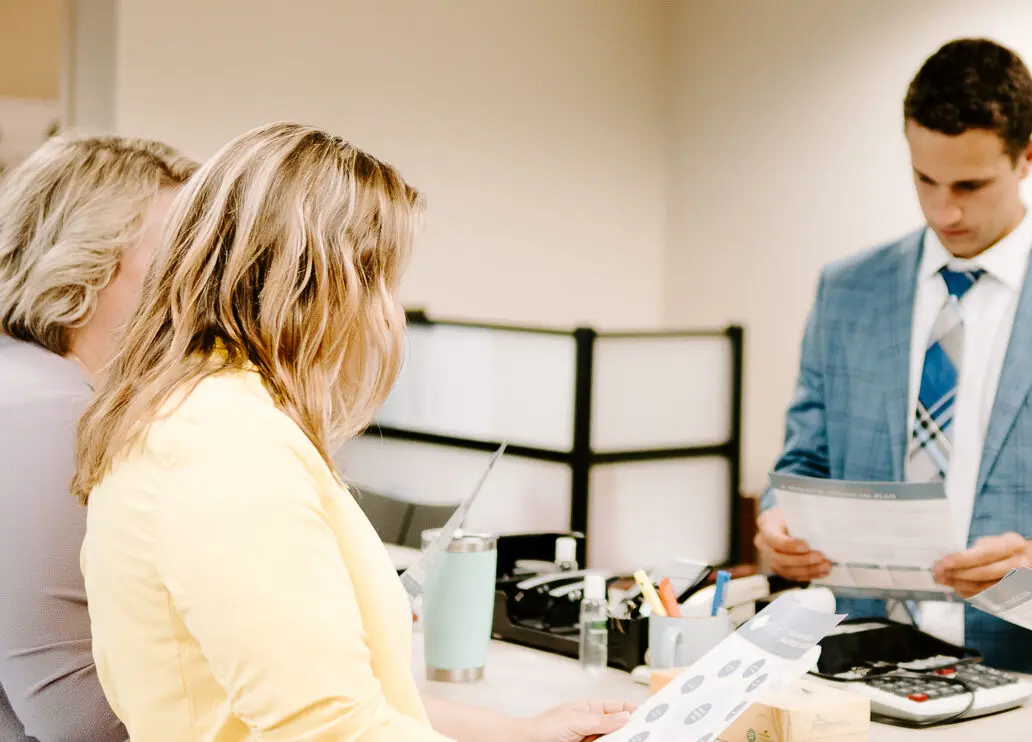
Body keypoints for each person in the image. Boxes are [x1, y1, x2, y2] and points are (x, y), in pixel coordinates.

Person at [71, 122, 633, 742]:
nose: (390, 312)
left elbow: (338, 696)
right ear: (320, 284)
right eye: (383, 281)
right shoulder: (224, 444)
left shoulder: (200, 414)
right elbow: (329, 729)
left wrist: (517, 733)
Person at [755, 37, 1032, 672]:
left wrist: (1029, 571)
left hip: (1018, 672)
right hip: (859, 664)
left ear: (1026, 157)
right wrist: (779, 523)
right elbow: (806, 459)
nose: (945, 209)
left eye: (970, 183)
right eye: (924, 179)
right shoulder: (848, 289)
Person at [0, 133, 198, 740]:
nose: (197, 279)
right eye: (176, 252)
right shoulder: (48, 413)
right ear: (86, 261)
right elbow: (74, 713)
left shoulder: (34, 384)